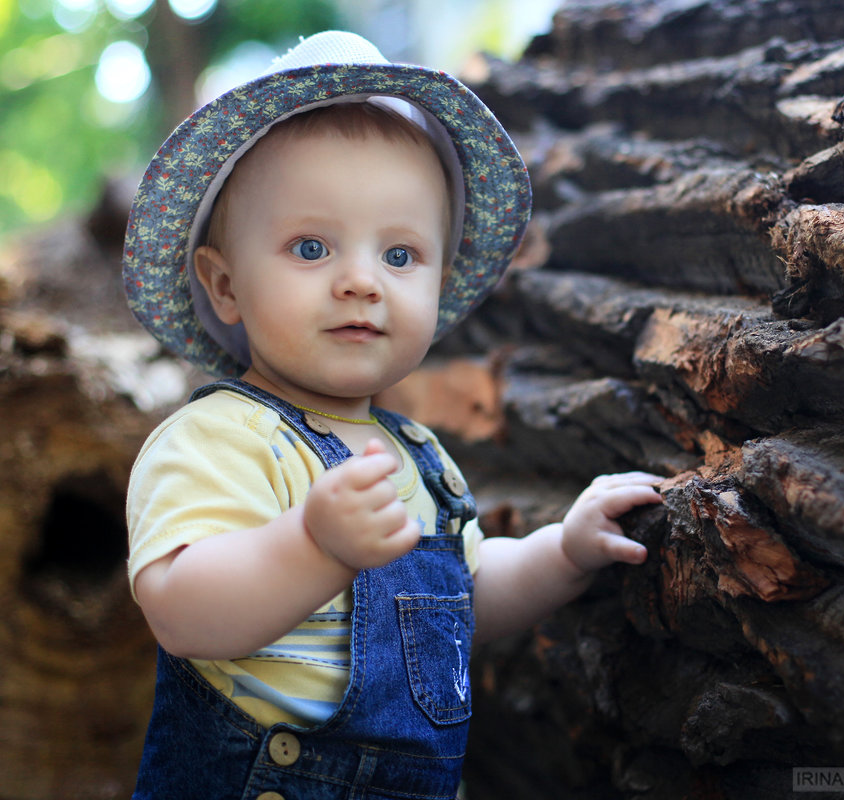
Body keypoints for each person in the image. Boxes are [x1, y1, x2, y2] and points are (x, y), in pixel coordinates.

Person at [122, 31, 662, 799]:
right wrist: (313, 545)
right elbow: (181, 610)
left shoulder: (421, 458)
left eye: (400, 256)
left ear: (439, 283)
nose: (360, 282)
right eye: (311, 248)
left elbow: (459, 601)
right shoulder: (218, 440)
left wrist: (562, 553)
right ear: (225, 285)